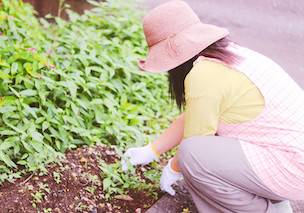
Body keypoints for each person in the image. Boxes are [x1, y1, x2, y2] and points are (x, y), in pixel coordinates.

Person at [120, 1, 304, 212]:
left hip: (293, 169)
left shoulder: (203, 74)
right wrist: (151, 150)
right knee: (200, 153)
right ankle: (278, 205)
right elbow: (196, 116)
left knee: (193, 156)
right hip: (292, 159)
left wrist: (173, 168)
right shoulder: (228, 55)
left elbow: (196, 140)